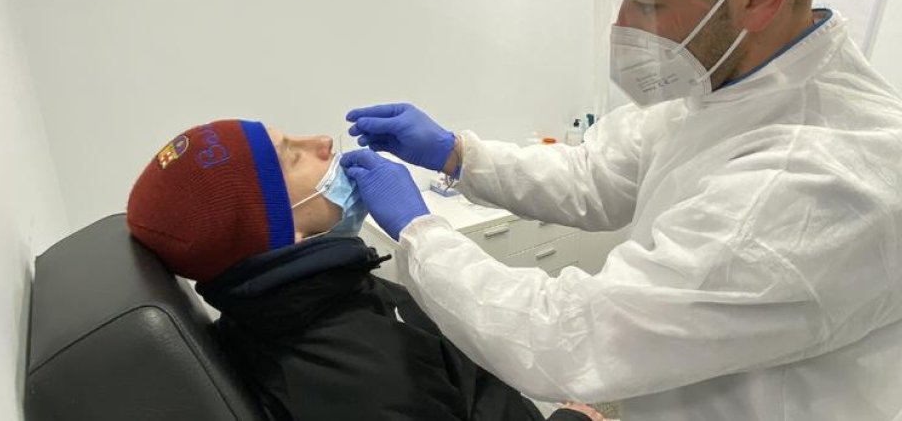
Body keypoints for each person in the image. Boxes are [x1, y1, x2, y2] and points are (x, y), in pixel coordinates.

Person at [340, 0, 902, 421]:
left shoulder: (824, 178)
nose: (624, 24)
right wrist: (457, 154)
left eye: (648, 0)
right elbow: (596, 177)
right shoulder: (719, 84)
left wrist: (421, 234)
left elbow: (566, 340)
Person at [125, 118, 603, 421]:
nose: (321, 141)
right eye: (293, 155)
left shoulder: (306, 301)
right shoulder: (353, 378)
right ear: (276, 230)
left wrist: (454, 153)